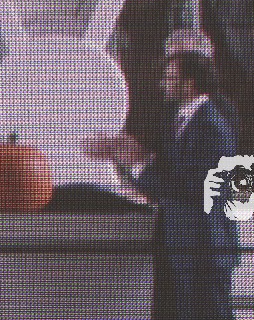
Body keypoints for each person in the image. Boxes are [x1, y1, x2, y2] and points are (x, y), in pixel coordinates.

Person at [83, 51, 239, 320]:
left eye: (169, 77)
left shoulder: (212, 127)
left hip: (204, 247)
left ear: (189, 83)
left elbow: (197, 187)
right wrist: (128, 151)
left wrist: (138, 165)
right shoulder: (181, 118)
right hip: (180, 241)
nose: (163, 83)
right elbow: (172, 168)